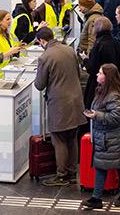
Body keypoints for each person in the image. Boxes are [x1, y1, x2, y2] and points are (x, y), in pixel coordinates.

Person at [33, 27, 87, 187]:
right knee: (72, 137)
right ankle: (72, 173)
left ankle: (61, 175)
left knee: (59, 139)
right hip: (76, 100)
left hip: (59, 103)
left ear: (42, 41)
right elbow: (78, 74)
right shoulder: (69, 50)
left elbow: (39, 84)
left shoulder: (45, 57)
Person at [80, 64, 120, 209]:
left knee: (116, 166)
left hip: (113, 138)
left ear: (107, 77)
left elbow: (115, 117)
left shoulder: (113, 95)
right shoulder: (106, 90)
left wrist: (96, 115)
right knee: (107, 166)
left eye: (100, 73)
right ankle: (100, 197)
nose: (97, 75)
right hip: (107, 136)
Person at [85, 17, 120, 108]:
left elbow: (92, 68)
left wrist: (85, 60)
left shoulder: (99, 44)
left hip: (99, 83)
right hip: (115, 81)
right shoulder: (115, 41)